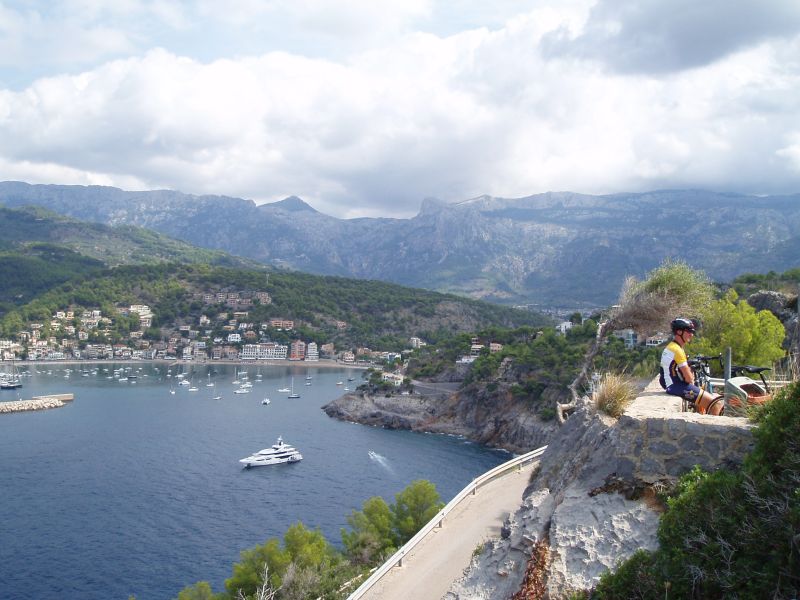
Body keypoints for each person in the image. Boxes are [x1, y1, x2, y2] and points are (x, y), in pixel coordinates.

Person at [659, 317, 724, 415]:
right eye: (688, 331)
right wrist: (690, 374)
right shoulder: (677, 350)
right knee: (716, 404)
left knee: (702, 404)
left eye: (692, 331)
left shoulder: (672, 347)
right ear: (679, 332)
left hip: (672, 385)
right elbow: (689, 378)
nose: (691, 334)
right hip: (676, 387)